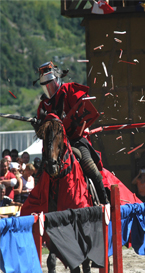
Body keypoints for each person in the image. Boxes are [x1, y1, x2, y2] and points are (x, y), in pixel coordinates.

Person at [31, 61, 108, 205]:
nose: (48, 88)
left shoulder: (69, 90)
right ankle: (40, 208)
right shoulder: (43, 105)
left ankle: (105, 204)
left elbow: (82, 111)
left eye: (50, 83)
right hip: (54, 146)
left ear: (56, 79)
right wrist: (37, 126)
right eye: (45, 85)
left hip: (75, 140)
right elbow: (42, 135)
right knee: (39, 177)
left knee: (90, 167)